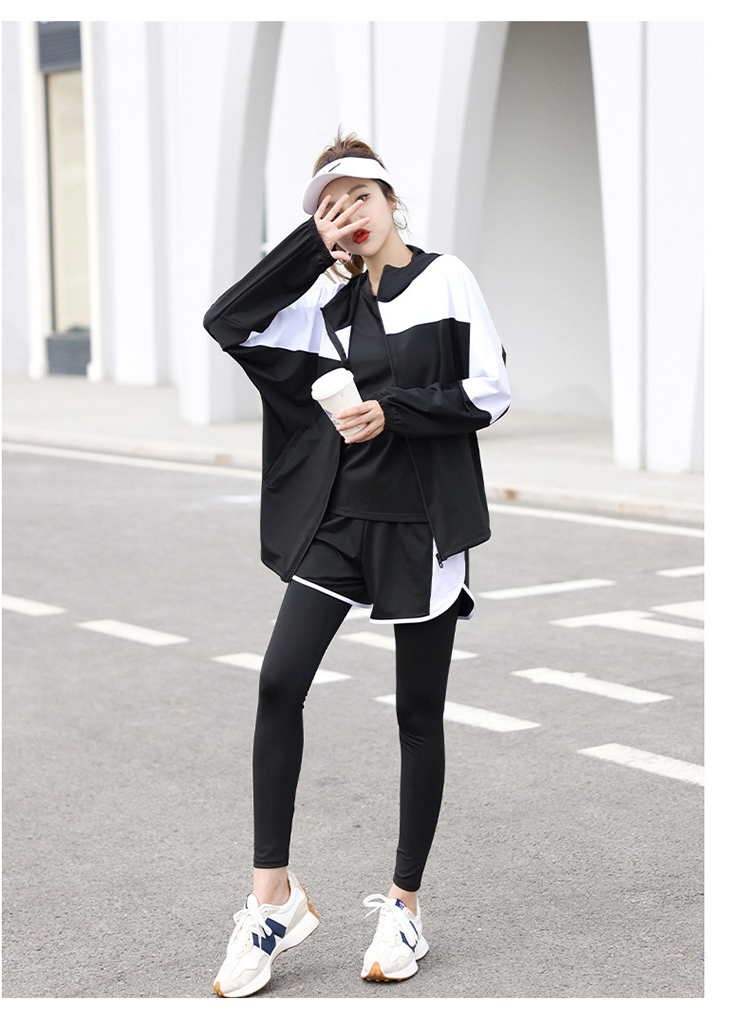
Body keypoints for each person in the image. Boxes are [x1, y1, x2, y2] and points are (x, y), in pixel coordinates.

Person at [203, 130, 510, 998]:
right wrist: (311, 251)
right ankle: (273, 898)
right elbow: (226, 323)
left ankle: (404, 906)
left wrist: (393, 410)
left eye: (359, 201)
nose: (350, 219)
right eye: (331, 212)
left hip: (420, 524)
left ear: (391, 199)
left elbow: (489, 390)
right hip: (337, 525)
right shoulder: (323, 305)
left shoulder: (446, 280)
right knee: (278, 682)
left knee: (416, 713)